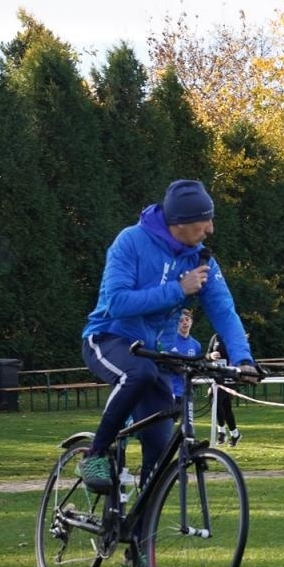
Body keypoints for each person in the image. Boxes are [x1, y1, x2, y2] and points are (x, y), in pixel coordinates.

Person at [78, 179, 258, 511]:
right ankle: (96, 454)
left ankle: (140, 539)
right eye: (205, 221)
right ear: (181, 223)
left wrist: (243, 358)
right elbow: (116, 303)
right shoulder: (130, 241)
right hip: (108, 338)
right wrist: (179, 289)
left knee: (160, 453)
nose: (211, 229)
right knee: (139, 373)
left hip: (156, 355)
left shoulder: (200, 259)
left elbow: (223, 310)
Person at [207, 331, 242, 445]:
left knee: (216, 403)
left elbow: (241, 355)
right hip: (216, 376)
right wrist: (211, 355)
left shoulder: (235, 336)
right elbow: (207, 354)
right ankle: (235, 434)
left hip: (229, 377)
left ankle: (221, 432)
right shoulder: (216, 337)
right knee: (226, 407)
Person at [164, 309, 202, 403]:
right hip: (170, 390)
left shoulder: (196, 345)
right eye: (181, 321)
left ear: (191, 321)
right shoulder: (168, 342)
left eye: (187, 319)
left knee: (188, 413)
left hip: (187, 391)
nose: (185, 323)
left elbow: (196, 367)